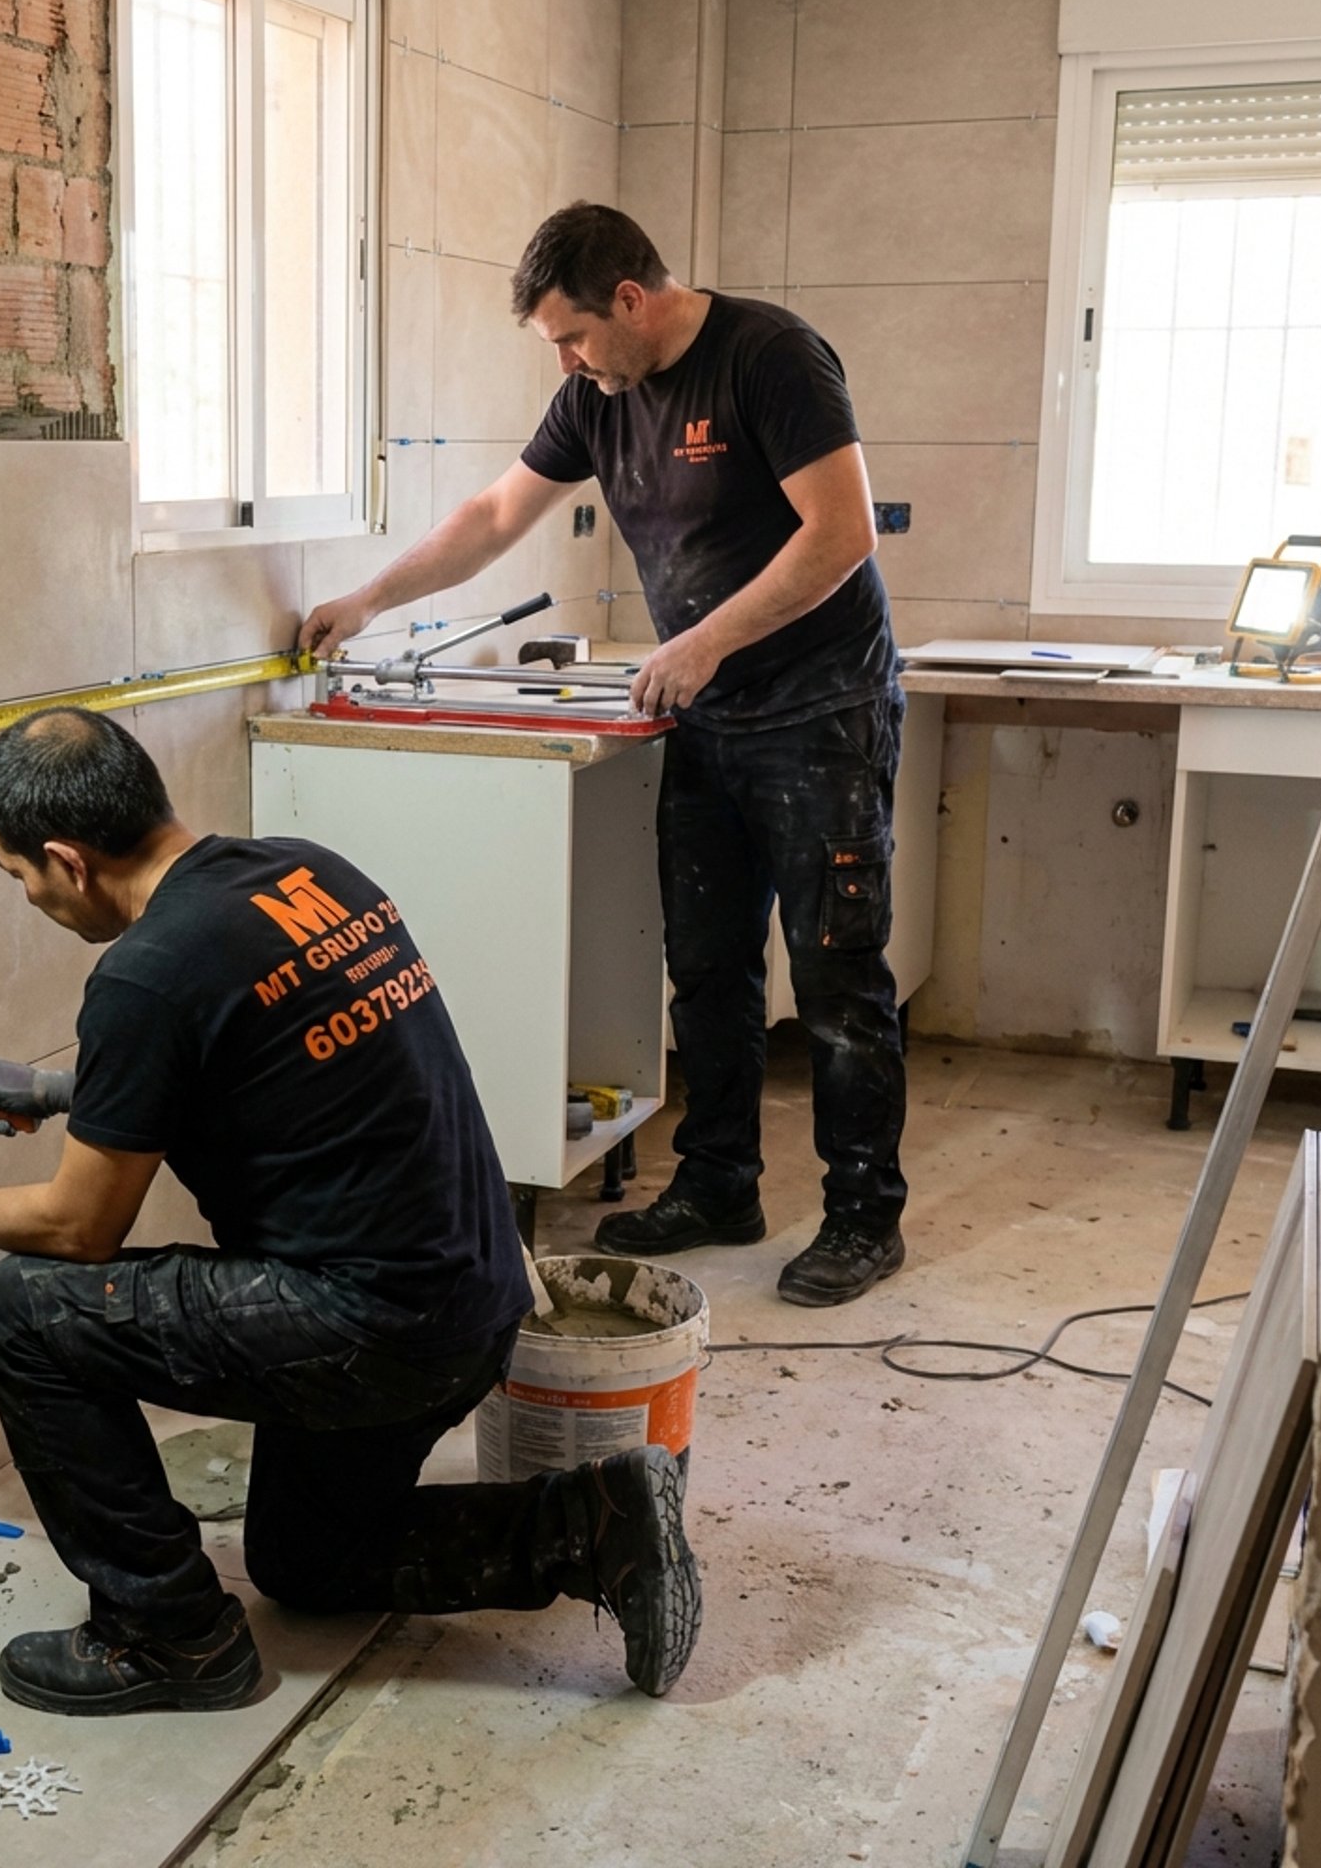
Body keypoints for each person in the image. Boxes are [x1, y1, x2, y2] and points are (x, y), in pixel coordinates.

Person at [0, 708, 701, 1715]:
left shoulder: (142, 974)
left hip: (373, 1327)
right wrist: (59, 1095)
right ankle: (593, 1522)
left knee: (21, 1312)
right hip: (476, 1300)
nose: (31, 897)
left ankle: (167, 1637)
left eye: (21, 878)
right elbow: (254, 1051)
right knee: (308, 1564)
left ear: (68, 861)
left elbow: (79, 1230)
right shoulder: (306, 876)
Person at [300, 203, 908, 1308]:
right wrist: (368, 597)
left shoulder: (770, 357)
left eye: (574, 338)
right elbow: (496, 514)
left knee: (836, 975)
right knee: (709, 968)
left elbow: (841, 534)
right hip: (708, 721)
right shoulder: (596, 395)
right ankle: (720, 1182)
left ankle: (865, 1215)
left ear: (631, 299)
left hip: (822, 712)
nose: (570, 365)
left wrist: (705, 641)